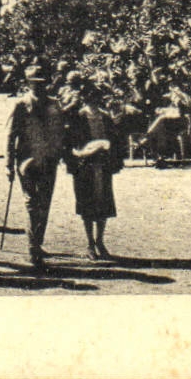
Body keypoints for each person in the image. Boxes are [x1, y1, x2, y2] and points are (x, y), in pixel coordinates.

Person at [7, 66, 67, 270]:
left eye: (43, 82)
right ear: (28, 83)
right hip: (27, 162)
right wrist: (8, 163)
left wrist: (62, 154)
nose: (40, 86)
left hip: (49, 161)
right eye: (35, 82)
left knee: (45, 204)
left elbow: (61, 132)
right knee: (32, 204)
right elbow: (11, 135)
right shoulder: (22, 105)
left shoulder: (54, 104)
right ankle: (33, 248)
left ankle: (37, 243)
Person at [64, 81, 127, 259]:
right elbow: (70, 144)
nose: (93, 100)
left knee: (104, 204)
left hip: (102, 165)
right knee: (87, 205)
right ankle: (90, 242)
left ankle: (100, 240)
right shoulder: (78, 117)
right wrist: (79, 153)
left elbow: (115, 140)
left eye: (96, 97)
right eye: (89, 97)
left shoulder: (105, 117)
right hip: (84, 166)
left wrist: (109, 150)